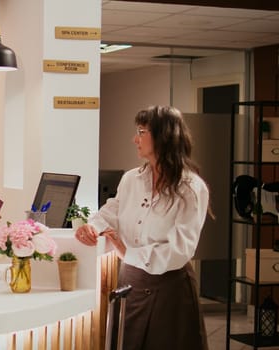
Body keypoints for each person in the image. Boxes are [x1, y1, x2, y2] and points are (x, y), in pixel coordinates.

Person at [75, 105, 211, 349]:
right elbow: (112, 212)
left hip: (170, 291)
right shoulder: (131, 179)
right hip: (131, 285)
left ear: (163, 136)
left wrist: (129, 253)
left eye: (141, 131)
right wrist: (92, 227)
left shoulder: (191, 188)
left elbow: (181, 250)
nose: (134, 139)